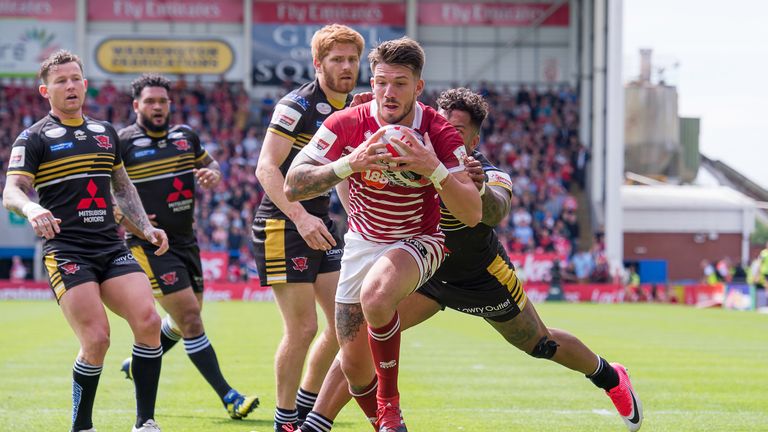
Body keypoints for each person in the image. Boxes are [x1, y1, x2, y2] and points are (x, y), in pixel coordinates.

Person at [295, 88, 643, 432]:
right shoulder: (407, 154)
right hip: (424, 271)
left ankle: (610, 377)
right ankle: (316, 423)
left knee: (540, 343)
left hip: (479, 276)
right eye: (441, 125)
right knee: (363, 333)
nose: (444, 134)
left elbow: (495, 210)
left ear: (473, 142)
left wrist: (473, 188)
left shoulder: (487, 173)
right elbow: (355, 184)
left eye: (457, 131)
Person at [284, 38, 482, 432]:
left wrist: (433, 169)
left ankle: (389, 404)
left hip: (419, 241)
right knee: (355, 369)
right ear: (371, 83)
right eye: (381, 82)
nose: (389, 93)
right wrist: (348, 163)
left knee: (376, 297)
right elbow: (293, 184)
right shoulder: (347, 123)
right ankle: (389, 424)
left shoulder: (438, 131)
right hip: (361, 244)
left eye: (400, 83)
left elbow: (473, 213)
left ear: (418, 87)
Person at [2, 50, 168, 432]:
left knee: (148, 321)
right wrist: (29, 210)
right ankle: (83, 426)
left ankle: (145, 422)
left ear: (85, 84)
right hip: (68, 250)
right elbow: (12, 190)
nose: (70, 85)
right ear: (46, 90)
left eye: (75, 78)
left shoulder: (105, 133)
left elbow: (122, 187)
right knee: (97, 339)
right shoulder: (33, 138)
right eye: (61, 80)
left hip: (111, 247)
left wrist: (145, 228)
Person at [116, 73, 259, 420]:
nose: (157, 107)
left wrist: (213, 173)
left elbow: (209, 165)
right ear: (137, 105)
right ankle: (229, 396)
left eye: (162, 101)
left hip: (186, 241)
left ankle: (138, 363)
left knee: (180, 322)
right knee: (192, 320)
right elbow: (108, 191)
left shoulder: (185, 137)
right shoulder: (122, 143)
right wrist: (131, 221)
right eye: (150, 101)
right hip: (148, 245)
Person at [253, 24, 366, 431]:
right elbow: (265, 167)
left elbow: (347, 173)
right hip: (283, 223)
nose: (346, 66)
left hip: (322, 223)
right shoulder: (296, 104)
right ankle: (284, 420)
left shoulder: (354, 107)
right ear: (318, 63)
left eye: (352, 59)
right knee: (302, 328)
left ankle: (304, 408)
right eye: (337, 59)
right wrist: (300, 217)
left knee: (346, 324)